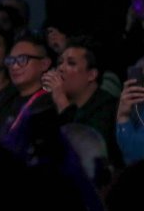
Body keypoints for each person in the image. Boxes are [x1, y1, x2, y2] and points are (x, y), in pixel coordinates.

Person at [43, 36, 122, 167]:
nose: (61, 68)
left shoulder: (110, 109)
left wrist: (62, 101)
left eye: (71, 63)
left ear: (91, 75)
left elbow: (84, 153)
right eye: (60, 63)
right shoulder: (52, 105)